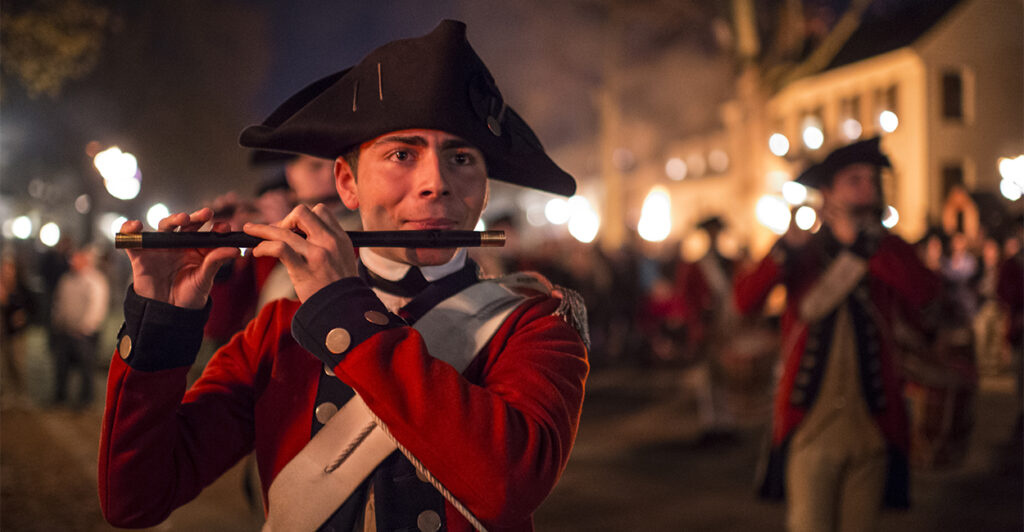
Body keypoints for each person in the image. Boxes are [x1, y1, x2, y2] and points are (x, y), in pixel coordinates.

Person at [99, 20, 589, 532]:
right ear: (347, 182)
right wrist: (162, 322)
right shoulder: (277, 331)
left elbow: (506, 485)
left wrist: (344, 313)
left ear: (485, 188)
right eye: (402, 154)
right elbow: (135, 498)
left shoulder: (536, 326)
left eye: (461, 158)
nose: (436, 183)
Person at [734, 137, 941, 532]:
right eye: (854, 179)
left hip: (874, 431)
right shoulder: (803, 251)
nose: (868, 187)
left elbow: (925, 293)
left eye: (871, 179)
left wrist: (866, 248)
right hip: (810, 431)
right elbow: (745, 301)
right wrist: (784, 251)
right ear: (828, 192)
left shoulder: (888, 249)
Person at [52, 245, 109, 408]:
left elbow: (96, 307)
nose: (72, 262)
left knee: (86, 368)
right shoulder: (66, 280)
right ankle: (60, 396)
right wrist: (58, 322)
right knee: (62, 366)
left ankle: (86, 399)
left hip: (85, 333)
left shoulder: (95, 281)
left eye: (76, 259)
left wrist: (85, 327)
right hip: (65, 330)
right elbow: (59, 302)